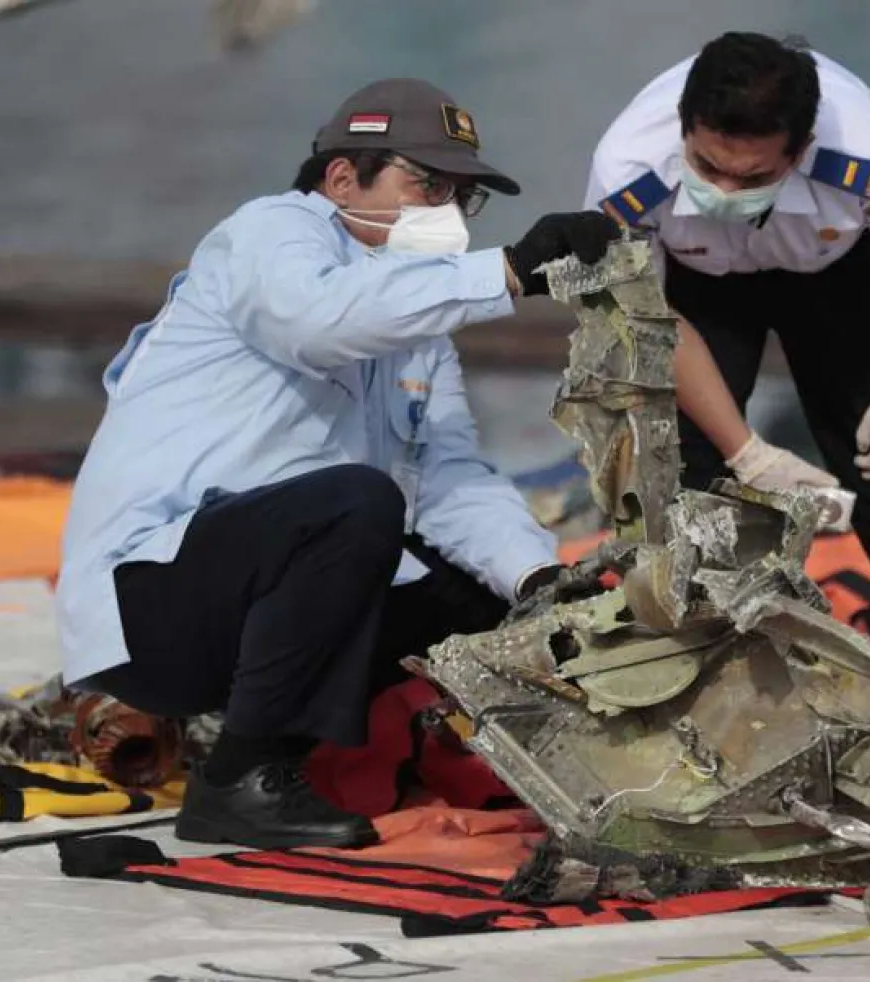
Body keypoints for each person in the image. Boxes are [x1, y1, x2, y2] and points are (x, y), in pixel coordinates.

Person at [55, 78, 622, 850]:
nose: (447, 212)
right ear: (342, 179)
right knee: (357, 505)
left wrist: (540, 581)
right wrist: (512, 271)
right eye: (427, 183)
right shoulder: (268, 236)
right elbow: (319, 324)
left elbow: (451, 477)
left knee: (482, 601)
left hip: (257, 590)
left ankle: (451, 760)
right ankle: (241, 780)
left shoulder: (419, 323)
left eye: (462, 195)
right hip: (149, 600)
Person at [582, 31, 870, 623]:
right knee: (678, 458)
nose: (725, 188)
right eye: (708, 166)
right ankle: (697, 647)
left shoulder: (867, 156)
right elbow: (648, 316)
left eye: (752, 176)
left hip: (840, 267)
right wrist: (748, 451)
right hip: (694, 279)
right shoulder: (627, 170)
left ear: (802, 149)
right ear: (684, 125)